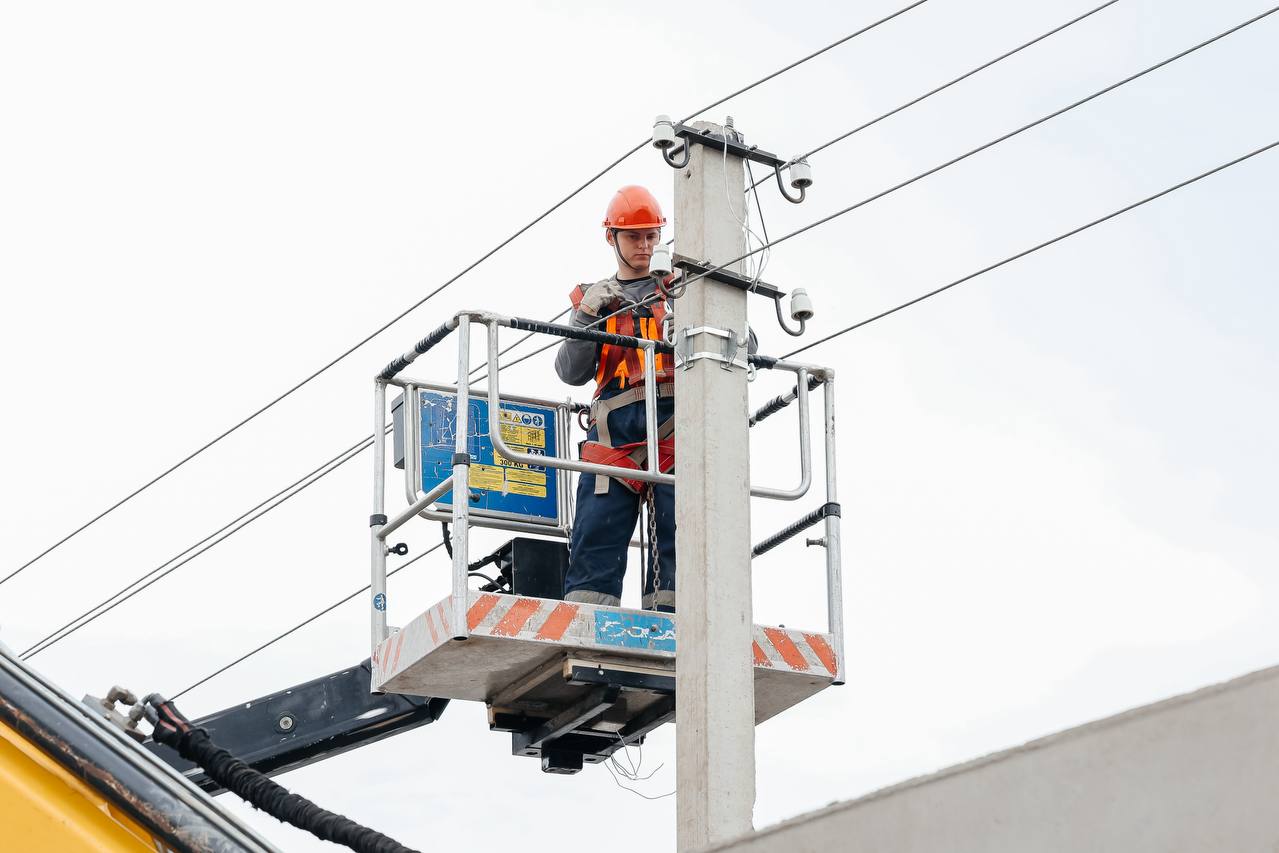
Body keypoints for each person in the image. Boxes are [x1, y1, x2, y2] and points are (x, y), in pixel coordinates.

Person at [555, 185, 677, 611]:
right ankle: (589, 627)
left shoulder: (685, 289)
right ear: (612, 238)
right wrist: (586, 317)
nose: (644, 246)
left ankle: (676, 627)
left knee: (681, 530)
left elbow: (742, 342)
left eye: (651, 236)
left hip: (677, 430)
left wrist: (706, 304)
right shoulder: (595, 301)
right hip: (614, 436)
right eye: (634, 237)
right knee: (595, 535)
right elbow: (571, 372)